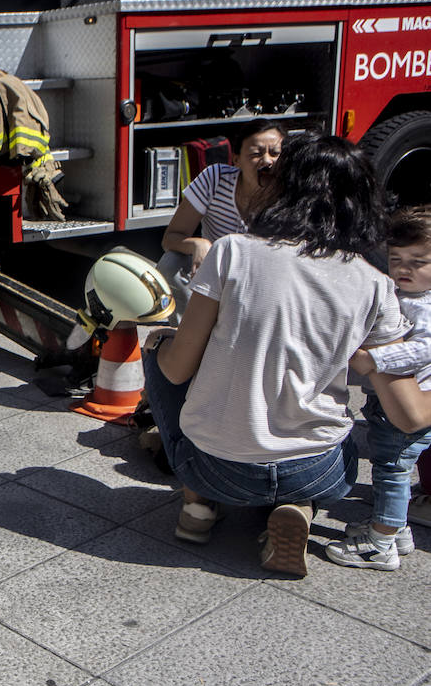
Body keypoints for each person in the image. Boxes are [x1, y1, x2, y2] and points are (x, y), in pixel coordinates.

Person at [142, 133, 431, 577]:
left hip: (218, 470)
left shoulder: (232, 251)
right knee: (318, 442)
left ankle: (198, 505)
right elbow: (409, 416)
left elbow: (179, 369)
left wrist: (164, 343)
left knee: (160, 346)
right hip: (322, 472)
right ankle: (299, 505)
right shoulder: (374, 283)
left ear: (282, 189)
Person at [326, 205, 431, 570]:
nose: (404, 268)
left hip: (405, 404)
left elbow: (425, 347)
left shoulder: (424, 306)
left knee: (392, 471)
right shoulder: (409, 297)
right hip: (390, 402)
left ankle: (380, 543)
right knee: (394, 468)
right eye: (396, 259)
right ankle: (397, 531)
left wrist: (376, 360)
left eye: (418, 262)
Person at [157, 120, 284, 312]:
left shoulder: (289, 195)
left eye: (275, 153)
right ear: (236, 160)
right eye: (256, 154)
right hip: (215, 278)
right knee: (171, 263)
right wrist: (198, 244)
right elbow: (170, 238)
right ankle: (184, 328)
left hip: (262, 285)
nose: (267, 161)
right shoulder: (215, 179)